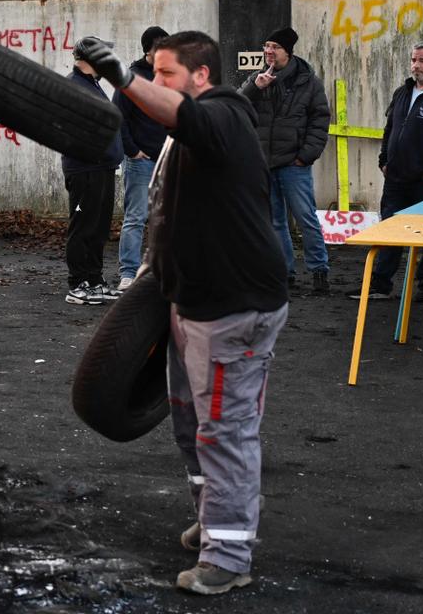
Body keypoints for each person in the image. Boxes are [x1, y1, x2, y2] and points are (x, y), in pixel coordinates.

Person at [76, 32, 288, 596]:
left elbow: (183, 113)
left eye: (165, 73)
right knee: (191, 425)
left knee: (224, 430)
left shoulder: (224, 116)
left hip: (233, 306)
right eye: (151, 73)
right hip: (187, 299)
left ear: (200, 76)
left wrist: (123, 78)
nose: (155, 83)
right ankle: (216, 518)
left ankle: (230, 556)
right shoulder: (181, 133)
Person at [345, 41, 423, 303]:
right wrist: (384, 161)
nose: (416, 65)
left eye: (422, 60)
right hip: (396, 179)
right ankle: (380, 285)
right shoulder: (402, 92)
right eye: (413, 60)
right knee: (389, 230)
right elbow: (390, 128)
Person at [239, 27, 332, 295]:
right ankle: (284, 273)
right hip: (264, 163)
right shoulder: (257, 78)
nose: (268, 51)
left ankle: (319, 271)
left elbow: (320, 121)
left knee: (305, 218)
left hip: (294, 164)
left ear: (288, 52)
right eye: (266, 46)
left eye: (275, 47)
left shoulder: (308, 82)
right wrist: (255, 88)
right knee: (274, 222)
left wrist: (305, 156)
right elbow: (236, 106)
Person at [63, 48, 124, 305]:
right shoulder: (73, 86)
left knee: (98, 228)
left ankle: (94, 280)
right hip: (84, 170)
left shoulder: (92, 84)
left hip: (102, 168)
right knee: (83, 226)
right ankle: (78, 284)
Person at [115, 26, 170, 291]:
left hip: (167, 160)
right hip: (141, 161)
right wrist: (132, 150)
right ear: (148, 50)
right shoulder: (131, 78)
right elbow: (118, 117)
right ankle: (128, 272)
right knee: (136, 217)